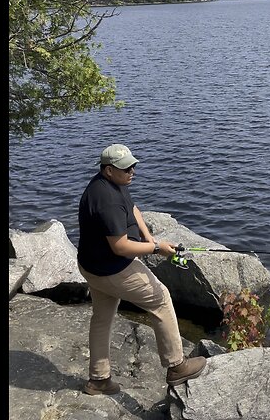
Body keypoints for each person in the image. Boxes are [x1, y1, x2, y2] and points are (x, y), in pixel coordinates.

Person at [75, 143, 207, 396]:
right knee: (161, 299)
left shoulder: (113, 184)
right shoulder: (106, 200)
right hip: (111, 268)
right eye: (126, 168)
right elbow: (121, 247)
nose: (132, 171)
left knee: (102, 318)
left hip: (92, 265)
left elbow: (132, 209)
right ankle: (177, 366)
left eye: (133, 166)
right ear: (108, 170)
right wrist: (157, 249)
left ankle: (98, 379)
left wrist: (149, 239)